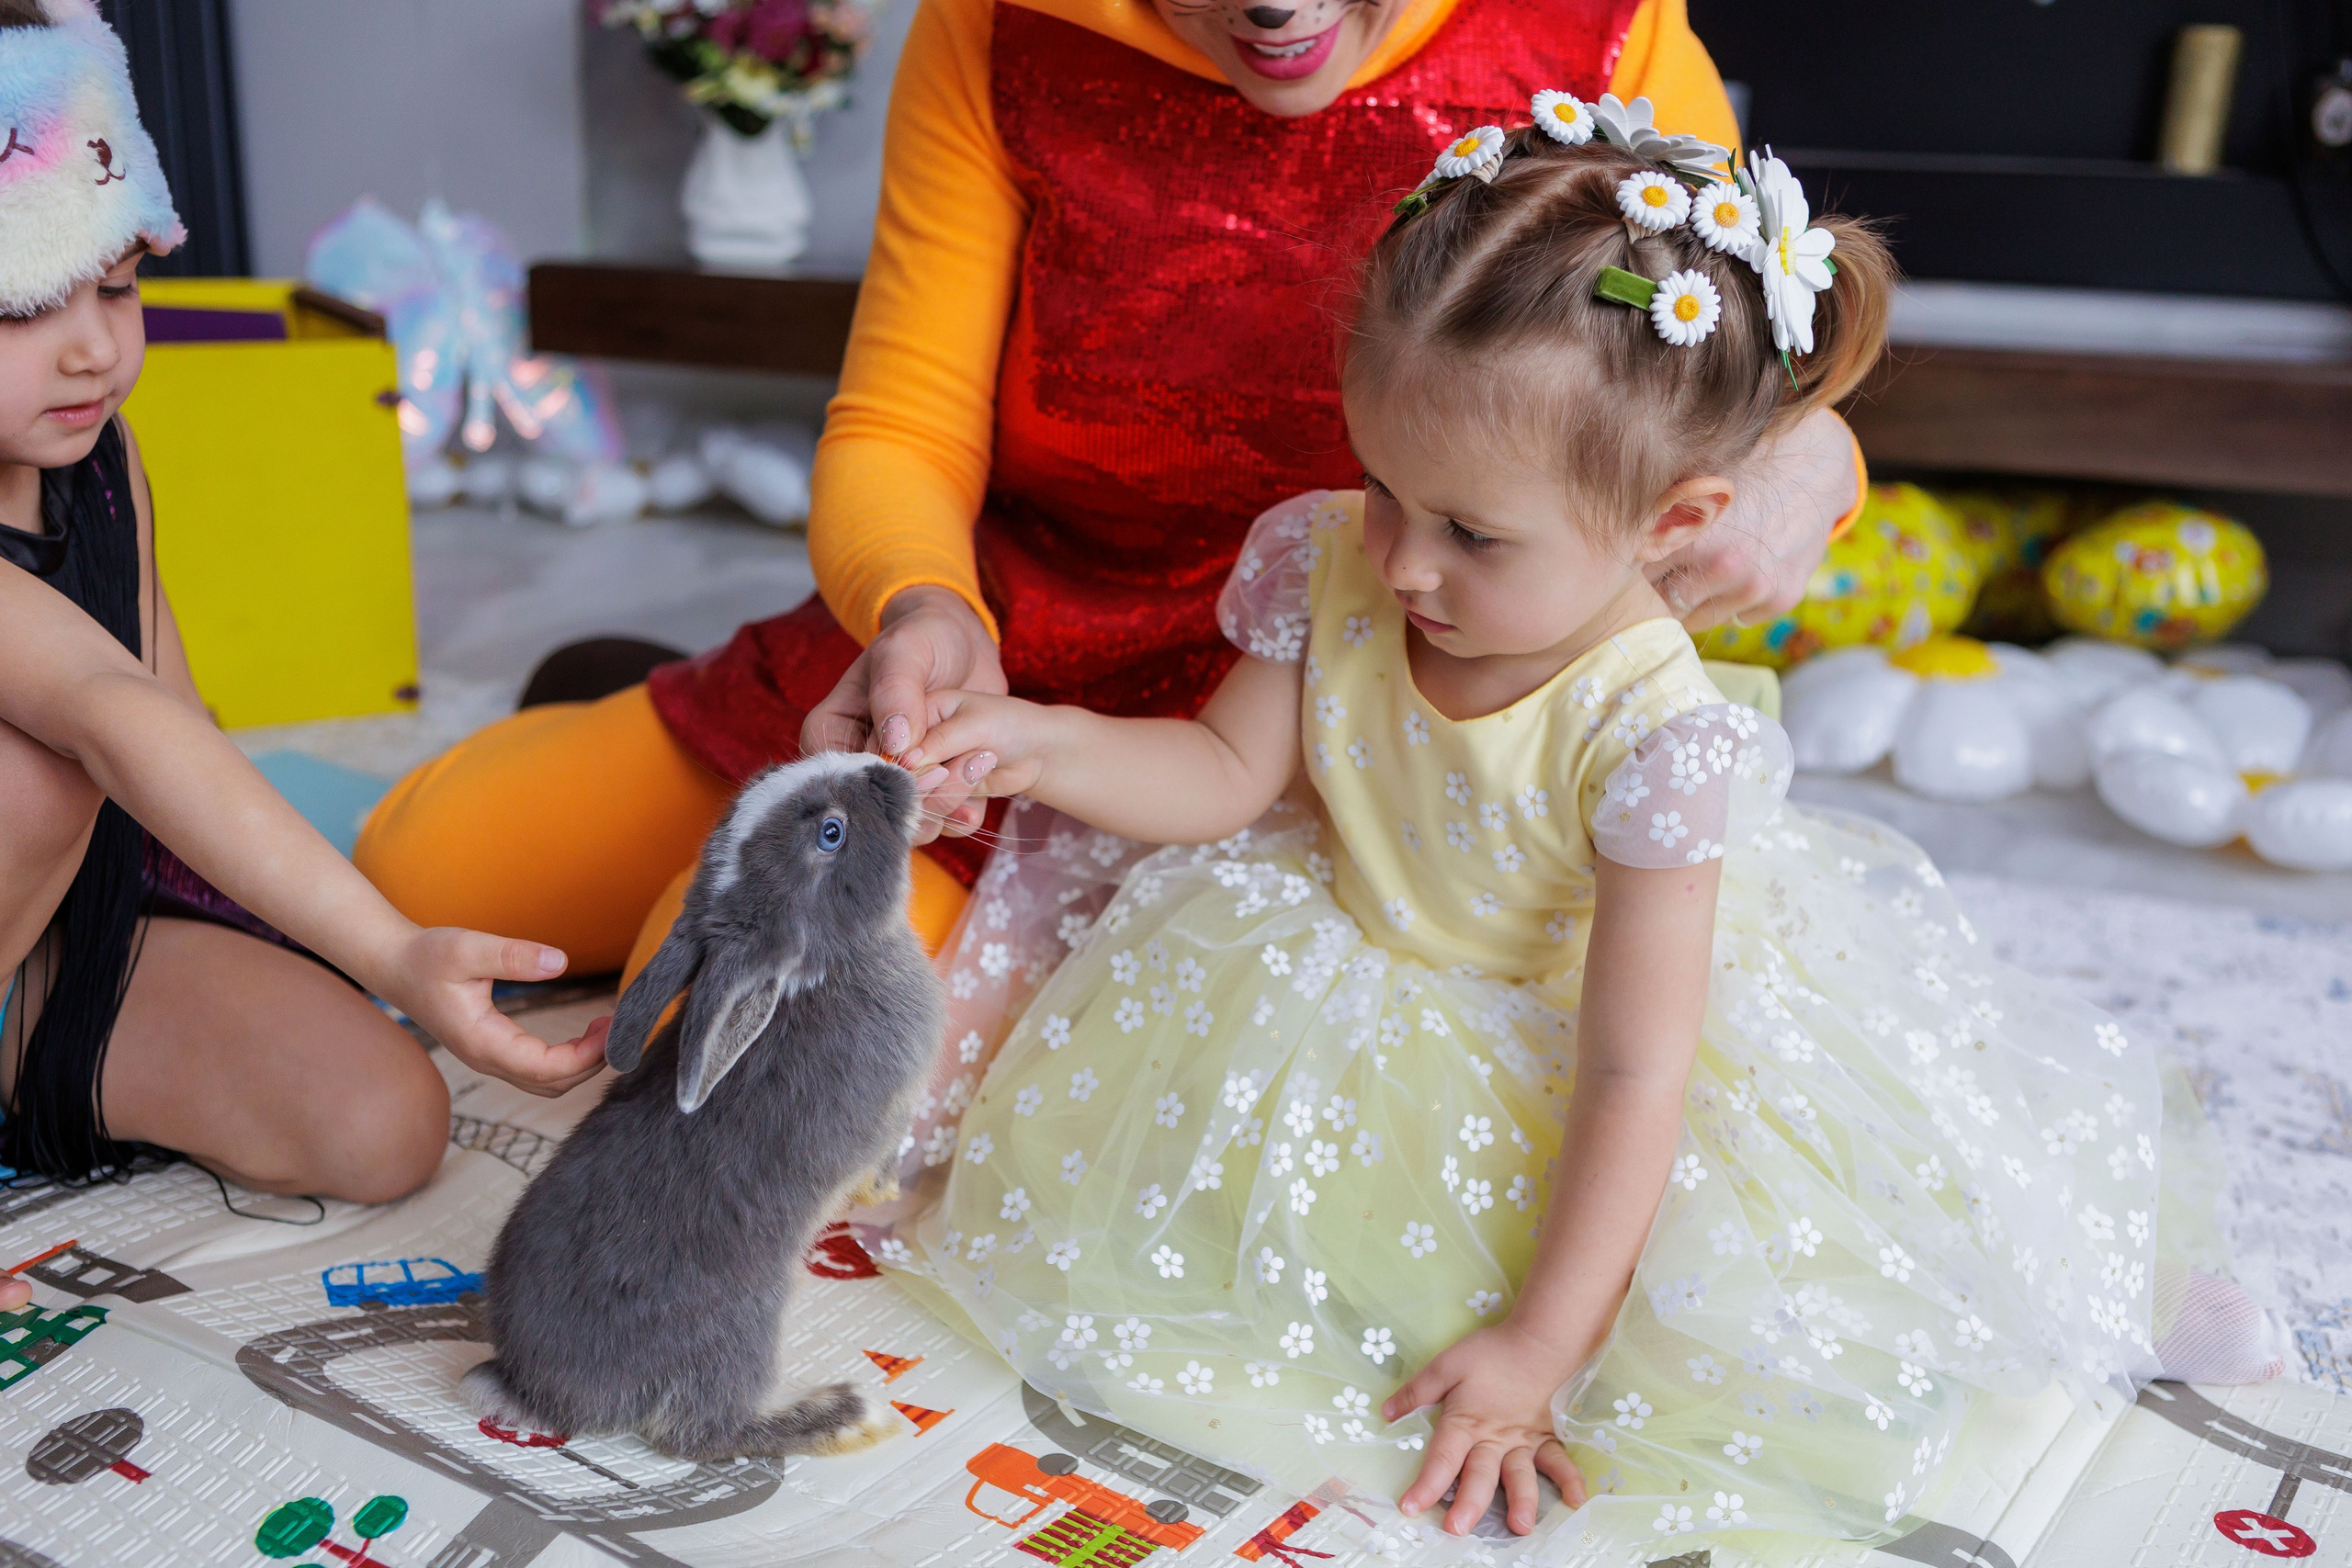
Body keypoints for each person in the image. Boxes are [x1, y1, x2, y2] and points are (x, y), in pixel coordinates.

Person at [875, 123, 2283, 1551]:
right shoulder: (1331, 557)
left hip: (1578, 1037)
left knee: (1817, 1261)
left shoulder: (1653, 733)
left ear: (1675, 520)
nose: (1404, 561)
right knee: (1177, 1234)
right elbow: (1225, 773)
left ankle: (2099, 1290)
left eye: (1473, 535)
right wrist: (1043, 743)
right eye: (1384, 488)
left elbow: (1632, 1073)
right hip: (1340, 954)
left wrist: (1542, 1349)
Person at [352, 0, 1868, 985]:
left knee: (727, 1052)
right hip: (1002, 664)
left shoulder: (1602, 35)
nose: (1275, 11)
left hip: (1311, 716)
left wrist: (1821, 460)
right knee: (412, 875)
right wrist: (921, 608)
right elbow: (900, 421)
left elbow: (1722, 379)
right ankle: (653, 701)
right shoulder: (1002, 30)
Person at [0, 0, 607, 1311]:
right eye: (26, 305)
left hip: (50, 947)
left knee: (383, 1122)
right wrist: (387, 952)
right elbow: (107, 712)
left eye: (117, 284)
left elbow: (172, 717)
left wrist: (328, 934)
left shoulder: (96, 456)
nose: (95, 345)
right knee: (38, 772)